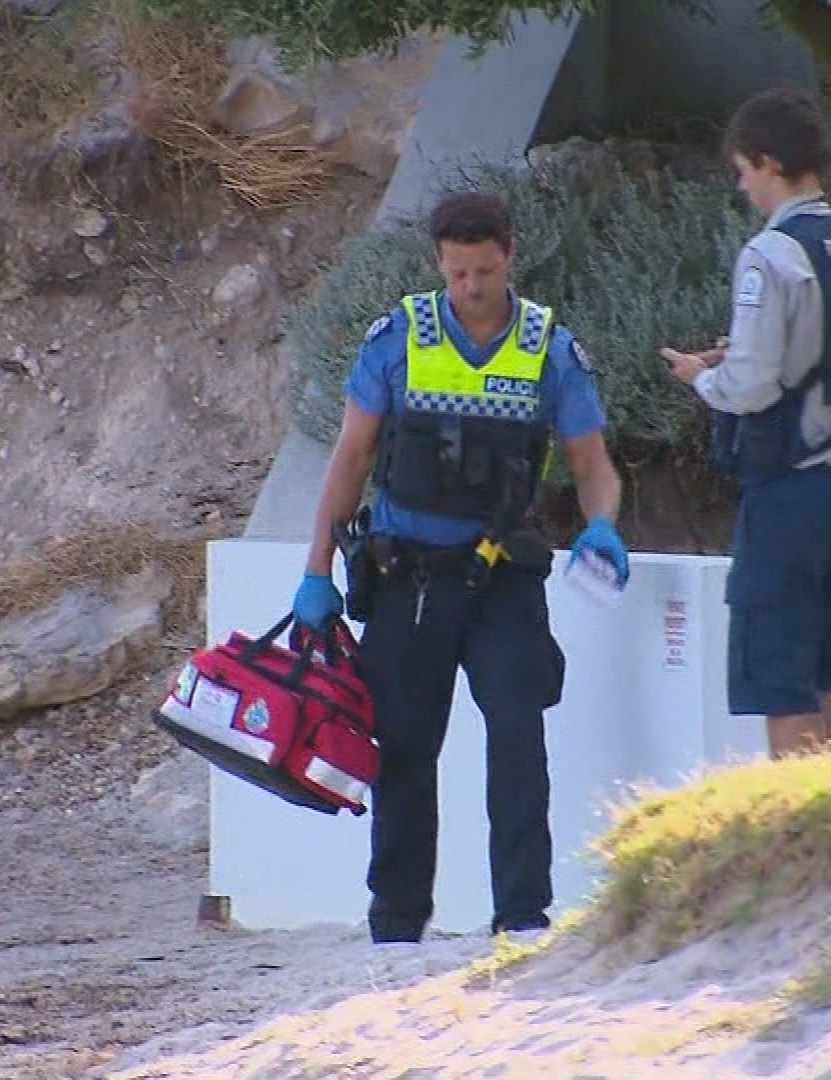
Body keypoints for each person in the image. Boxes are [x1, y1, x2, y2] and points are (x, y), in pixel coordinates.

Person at [293, 191, 629, 945]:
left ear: (510, 254)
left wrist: (602, 524)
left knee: (517, 734)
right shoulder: (399, 338)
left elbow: (593, 465)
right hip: (407, 579)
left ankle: (522, 916)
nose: (471, 288)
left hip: (501, 578)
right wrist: (317, 568)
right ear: (439, 264)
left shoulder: (550, 349)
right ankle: (398, 923)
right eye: (457, 273)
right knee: (406, 750)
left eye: (482, 270)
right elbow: (350, 457)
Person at [661, 86, 831, 760]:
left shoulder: (771, 256)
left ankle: (798, 828)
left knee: (781, 673)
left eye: (743, 171)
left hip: (790, 481)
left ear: (766, 162)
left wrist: (700, 377)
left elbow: (752, 384)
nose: (743, 188)